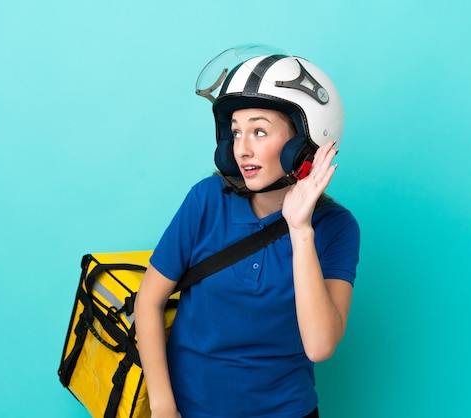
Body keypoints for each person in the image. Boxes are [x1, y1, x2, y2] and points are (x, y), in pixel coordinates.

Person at [134, 44, 360, 418]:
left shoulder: (337, 227)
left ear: (304, 144)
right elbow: (149, 301)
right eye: (236, 133)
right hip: (190, 411)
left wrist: (300, 228)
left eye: (259, 131)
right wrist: (162, 406)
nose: (242, 149)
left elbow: (320, 346)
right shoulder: (206, 200)